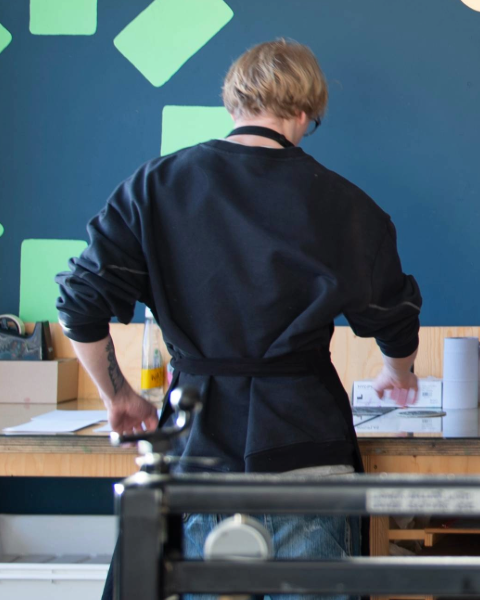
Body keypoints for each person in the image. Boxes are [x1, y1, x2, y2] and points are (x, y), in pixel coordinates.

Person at [56, 39, 421, 599]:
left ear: (235, 105)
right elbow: (393, 315)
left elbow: (80, 305)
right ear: (304, 114)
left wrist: (119, 398)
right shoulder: (347, 204)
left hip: (200, 450)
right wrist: (398, 372)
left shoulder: (154, 187)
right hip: (306, 444)